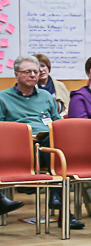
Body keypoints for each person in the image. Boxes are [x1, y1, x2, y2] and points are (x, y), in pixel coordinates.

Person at [0, 55, 83, 228]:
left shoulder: (46, 96)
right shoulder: (3, 97)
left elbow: (56, 122)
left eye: (35, 72)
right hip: (18, 146)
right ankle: (60, 205)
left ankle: (59, 203)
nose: (32, 75)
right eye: (27, 72)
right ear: (16, 74)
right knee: (54, 151)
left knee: (57, 148)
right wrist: (20, 135)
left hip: (46, 142)